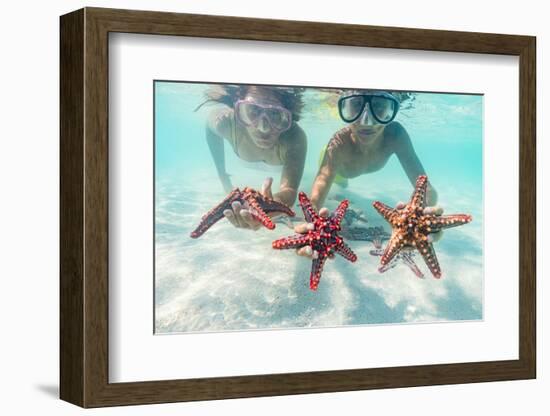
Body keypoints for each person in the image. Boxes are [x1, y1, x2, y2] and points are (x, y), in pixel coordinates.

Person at [296, 89, 442, 259]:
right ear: (345, 108)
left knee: (341, 189)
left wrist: (426, 220)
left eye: (379, 106)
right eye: (356, 106)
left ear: (392, 110)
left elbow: (426, 188)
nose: (366, 121)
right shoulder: (338, 145)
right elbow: (320, 187)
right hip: (335, 167)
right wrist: (308, 226)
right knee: (339, 185)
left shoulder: (396, 135)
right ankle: (338, 182)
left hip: (349, 168)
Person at [197, 84, 307, 230]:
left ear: (287, 117)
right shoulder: (225, 122)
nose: (263, 128)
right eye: (253, 110)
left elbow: (290, 189)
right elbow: (210, 129)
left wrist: (270, 205)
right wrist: (222, 175)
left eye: (275, 114)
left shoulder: (294, 138)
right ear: (238, 112)